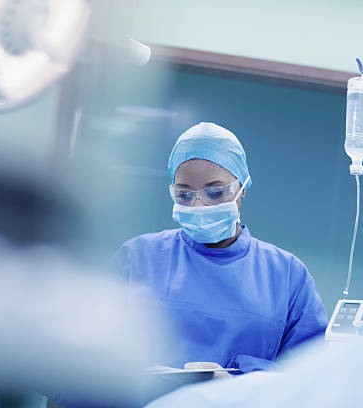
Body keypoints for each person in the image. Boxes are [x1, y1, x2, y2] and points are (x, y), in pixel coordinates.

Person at [113, 122, 328, 374]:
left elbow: (311, 375)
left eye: (215, 193)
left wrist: (239, 380)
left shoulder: (286, 274)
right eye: (183, 195)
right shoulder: (137, 258)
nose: (198, 206)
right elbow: (78, 366)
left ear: (243, 188)